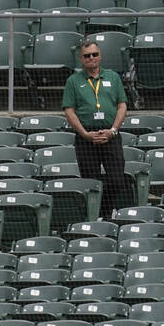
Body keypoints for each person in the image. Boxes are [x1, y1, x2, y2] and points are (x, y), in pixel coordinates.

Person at [62, 37, 130, 215]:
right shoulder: (73, 81)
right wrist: (85, 134)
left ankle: (105, 212)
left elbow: (122, 105)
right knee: (90, 182)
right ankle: (97, 216)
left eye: (94, 54)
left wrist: (113, 131)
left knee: (117, 180)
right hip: (86, 139)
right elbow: (69, 110)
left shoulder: (113, 77)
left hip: (111, 137)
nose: (91, 58)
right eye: (87, 55)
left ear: (100, 56)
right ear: (81, 59)